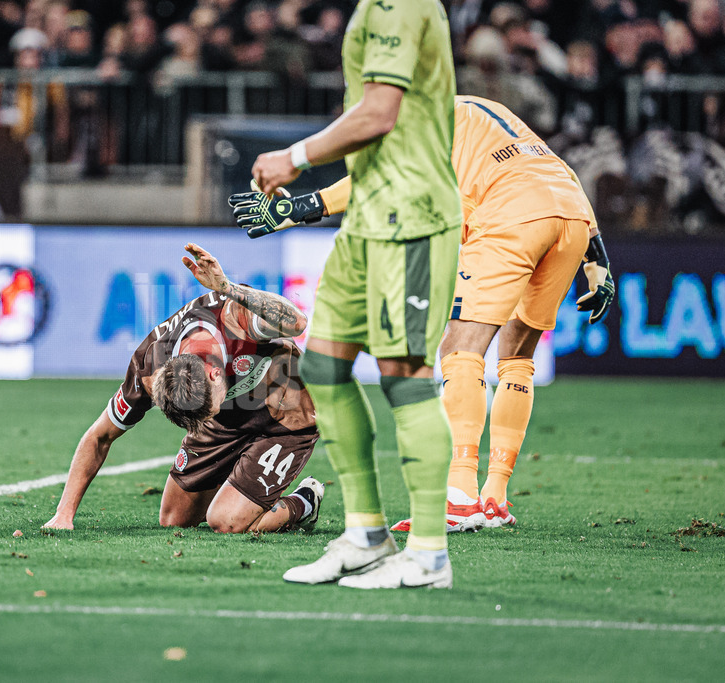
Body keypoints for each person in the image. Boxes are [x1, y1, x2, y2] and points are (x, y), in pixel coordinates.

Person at [231, 94, 616, 534]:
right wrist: (596, 263)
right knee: (517, 354)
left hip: (511, 212)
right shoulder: (478, 110)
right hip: (571, 215)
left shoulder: (416, 117)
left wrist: (300, 207)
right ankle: (494, 495)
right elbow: (554, 170)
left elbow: (383, 180)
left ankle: (458, 494)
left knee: (460, 348)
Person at [248, 0, 461, 590]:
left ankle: (428, 554)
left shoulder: (400, 4)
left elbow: (380, 112)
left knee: (404, 376)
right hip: (366, 219)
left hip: (412, 220)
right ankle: (366, 536)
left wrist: (295, 157)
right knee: (323, 366)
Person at [43, 243, 325, 535]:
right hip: (227, 423)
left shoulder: (234, 319)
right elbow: (99, 436)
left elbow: (298, 322)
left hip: (285, 418)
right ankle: (241, 486)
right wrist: (64, 513)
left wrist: (227, 287)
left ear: (216, 374)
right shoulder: (149, 367)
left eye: (210, 410)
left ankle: (304, 502)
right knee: (175, 518)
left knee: (226, 521)